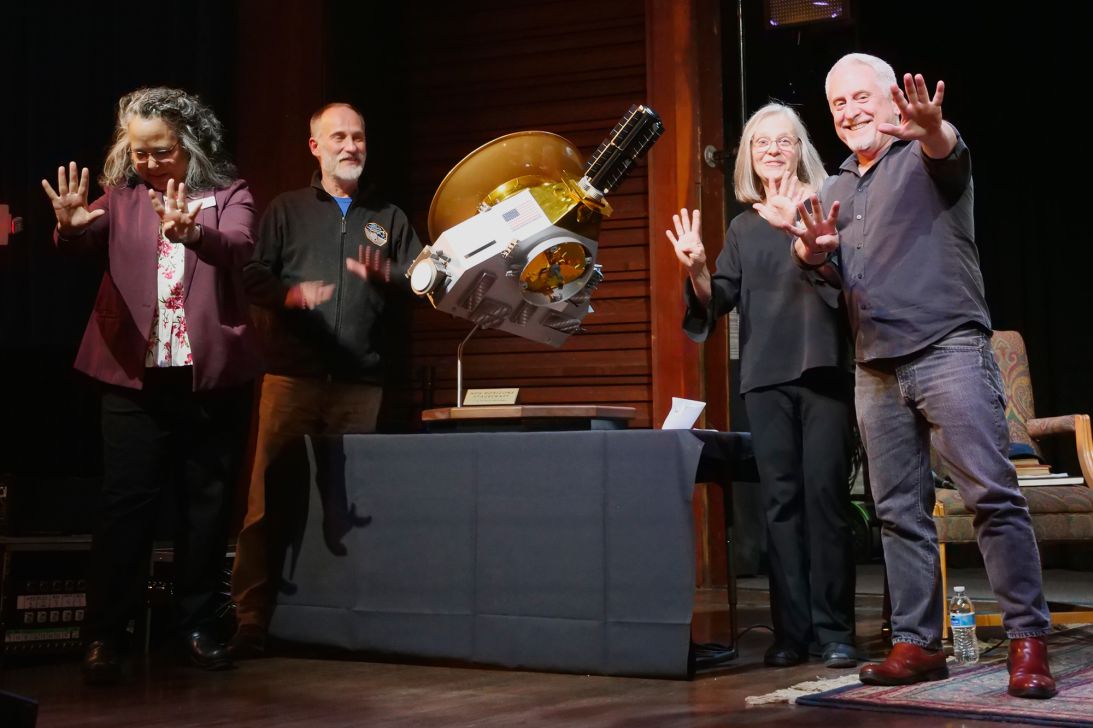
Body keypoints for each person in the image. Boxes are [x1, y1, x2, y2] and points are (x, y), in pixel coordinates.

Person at [781, 53, 1056, 698]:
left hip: (947, 347)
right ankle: (916, 644)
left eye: (860, 98)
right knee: (898, 511)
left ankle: (1027, 641)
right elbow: (830, 268)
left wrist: (934, 126)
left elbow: (946, 146)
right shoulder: (838, 189)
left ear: (890, 99)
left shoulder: (923, 156)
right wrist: (812, 255)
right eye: (837, 105)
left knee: (990, 495)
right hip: (874, 364)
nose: (850, 113)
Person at [42, 87, 259, 684]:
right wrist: (68, 229)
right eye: (137, 152)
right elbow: (84, 237)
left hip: (209, 380)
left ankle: (194, 627)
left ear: (189, 145)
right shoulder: (123, 197)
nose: (147, 163)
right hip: (132, 378)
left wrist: (194, 234)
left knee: (205, 509)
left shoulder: (228, 194)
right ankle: (105, 634)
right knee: (125, 508)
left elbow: (239, 246)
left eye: (160, 151)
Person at [228, 102, 423, 658]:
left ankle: (351, 622)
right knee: (267, 501)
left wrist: (392, 273)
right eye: (338, 136)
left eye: (359, 137)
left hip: (361, 382)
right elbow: (252, 274)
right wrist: (290, 296)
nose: (351, 146)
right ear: (315, 146)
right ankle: (250, 619)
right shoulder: (287, 210)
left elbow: (422, 279)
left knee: (353, 506)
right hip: (291, 377)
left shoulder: (389, 215)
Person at [667, 104, 857, 669]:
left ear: (802, 149)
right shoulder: (743, 226)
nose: (772, 150)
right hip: (765, 378)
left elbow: (851, 285)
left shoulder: (830, 206)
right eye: (760, 143)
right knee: (780, 504)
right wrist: (697, 267)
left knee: (826, 499)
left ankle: (835, 631)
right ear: (750, 157)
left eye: (784, 141)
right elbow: (716, 298)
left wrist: (814, 248)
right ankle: (791, 635)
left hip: (823, 369)